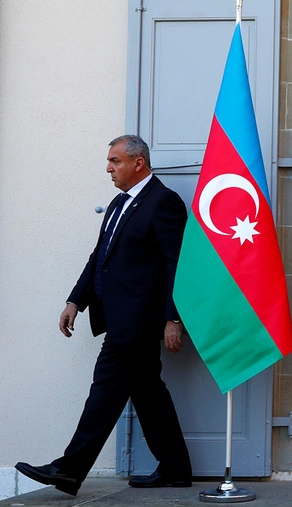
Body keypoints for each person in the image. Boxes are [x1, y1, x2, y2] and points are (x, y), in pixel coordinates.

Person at [15, 135, 192, 496]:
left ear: (138, 163)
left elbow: (177, 264)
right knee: (148, 393)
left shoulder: (163, 202)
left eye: (115, 161)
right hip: (118, 317)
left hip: (138, 321)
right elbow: (100, 257)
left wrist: (174, 319)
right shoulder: (117, 204)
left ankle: (68, 470)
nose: (108, 168)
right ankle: (176, 468)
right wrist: (75, 301)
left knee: (105, 391)